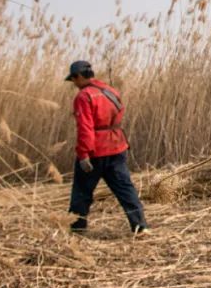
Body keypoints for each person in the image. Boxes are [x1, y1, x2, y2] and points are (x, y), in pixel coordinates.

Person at [64, 60, 149, 236]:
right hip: (117, 146)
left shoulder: (84, 96)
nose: (74, 84)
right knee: (125, 189)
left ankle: (77, 231)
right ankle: (140, 227)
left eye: (73, 79)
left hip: (96, 150)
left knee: (81, 192)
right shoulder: (111, 91)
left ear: (79, 76)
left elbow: (85, 127)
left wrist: (84, 154)